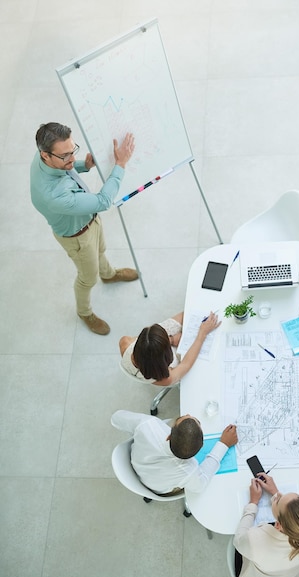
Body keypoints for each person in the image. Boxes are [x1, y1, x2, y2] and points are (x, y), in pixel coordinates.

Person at [30, 122, 139, 336]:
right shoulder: (54, 195)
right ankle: (84, 312)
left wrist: (83, 165)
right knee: (87, 277)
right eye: (65, 156)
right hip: (77, 236)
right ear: (45, 155)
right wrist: (121, 164)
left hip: (89, 220)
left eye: (73, 151)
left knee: (100, 250)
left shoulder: (45, 156)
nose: (71, 158)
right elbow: (103, 201)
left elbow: (68, 169)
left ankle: (108, 275)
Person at [111, 410, 238, 494]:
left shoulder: (148, 425)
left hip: (135, 463)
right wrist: (224, 444)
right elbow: (200, 485)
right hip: (158, 487)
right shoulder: (189, 471)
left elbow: (116, 418)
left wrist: (138, 433)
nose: (188, 413)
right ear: (201, 447)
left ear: (168, 436)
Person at [119, 311, 221, 386]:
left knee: (187, 314)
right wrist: (202, 333)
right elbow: (186, 364)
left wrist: (171, 339)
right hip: (166, 364)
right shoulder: (166, 378)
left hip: (153, 360)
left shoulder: (125, 342)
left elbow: (150, 343)